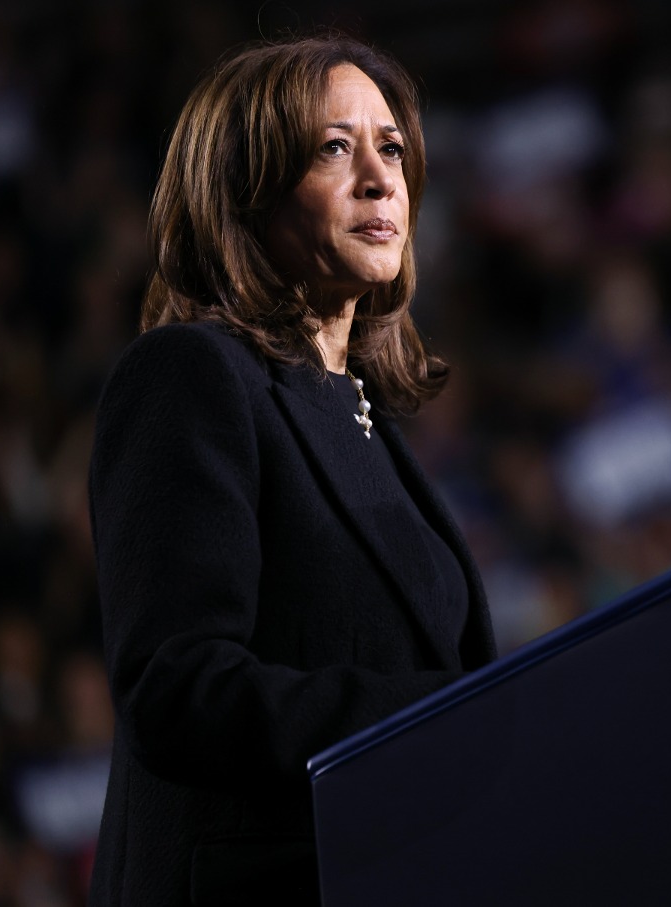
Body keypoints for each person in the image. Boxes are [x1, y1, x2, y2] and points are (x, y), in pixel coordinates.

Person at [86, 36, 496, 906]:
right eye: (333, 149)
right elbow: (179, 687)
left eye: (390, 148)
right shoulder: (191, 377)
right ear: (243, 189)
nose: (382, 179)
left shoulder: (364, 418)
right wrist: (450, 718)